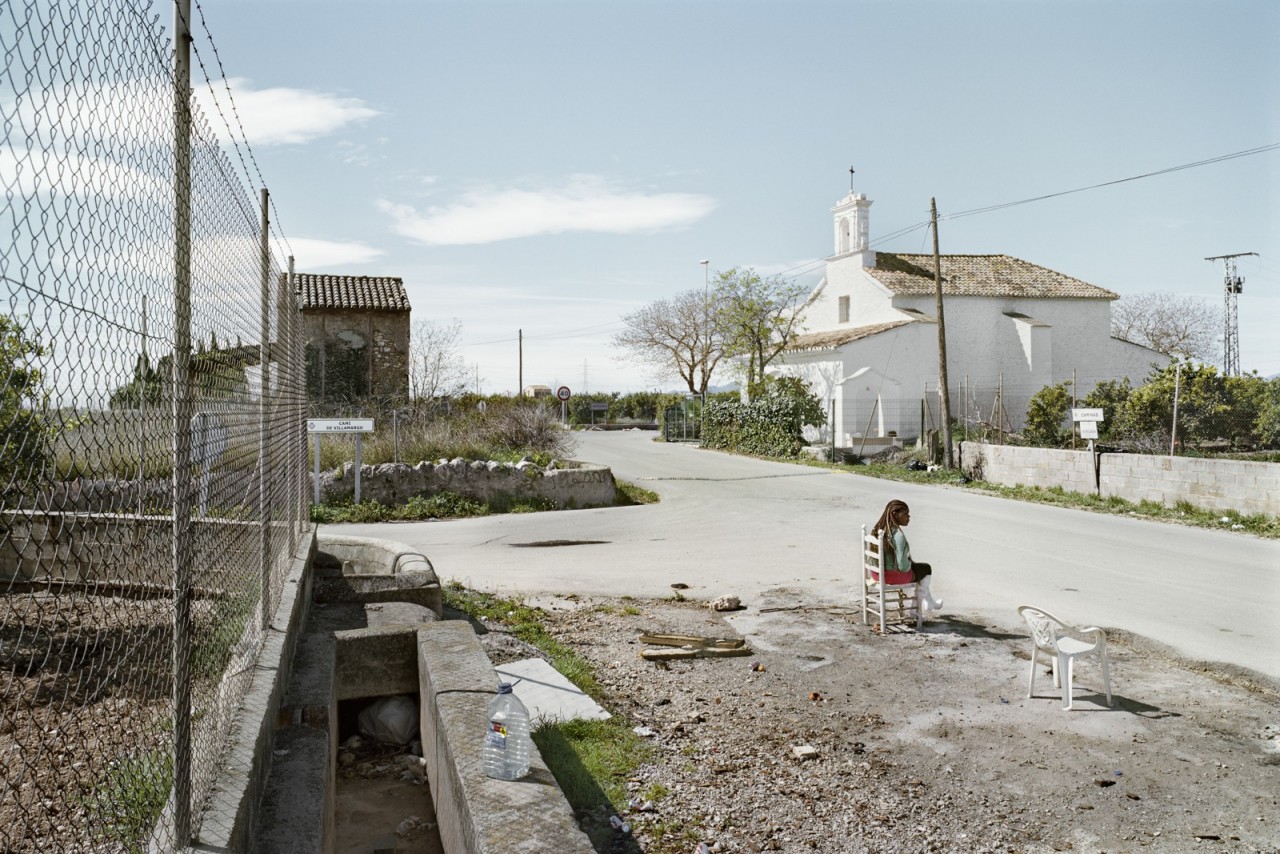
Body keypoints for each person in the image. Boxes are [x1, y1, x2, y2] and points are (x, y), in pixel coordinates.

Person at [870, 499, 943, 611]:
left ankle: (929, 601)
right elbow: (903, 567)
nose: (908, 517)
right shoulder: (898, 536)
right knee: (926, 569)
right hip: (891, 577)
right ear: (894, 514)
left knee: (919, 570)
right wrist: (909, 563)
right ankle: (915, 610)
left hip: (876, 574)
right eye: (905, 514)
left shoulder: (877, 529)